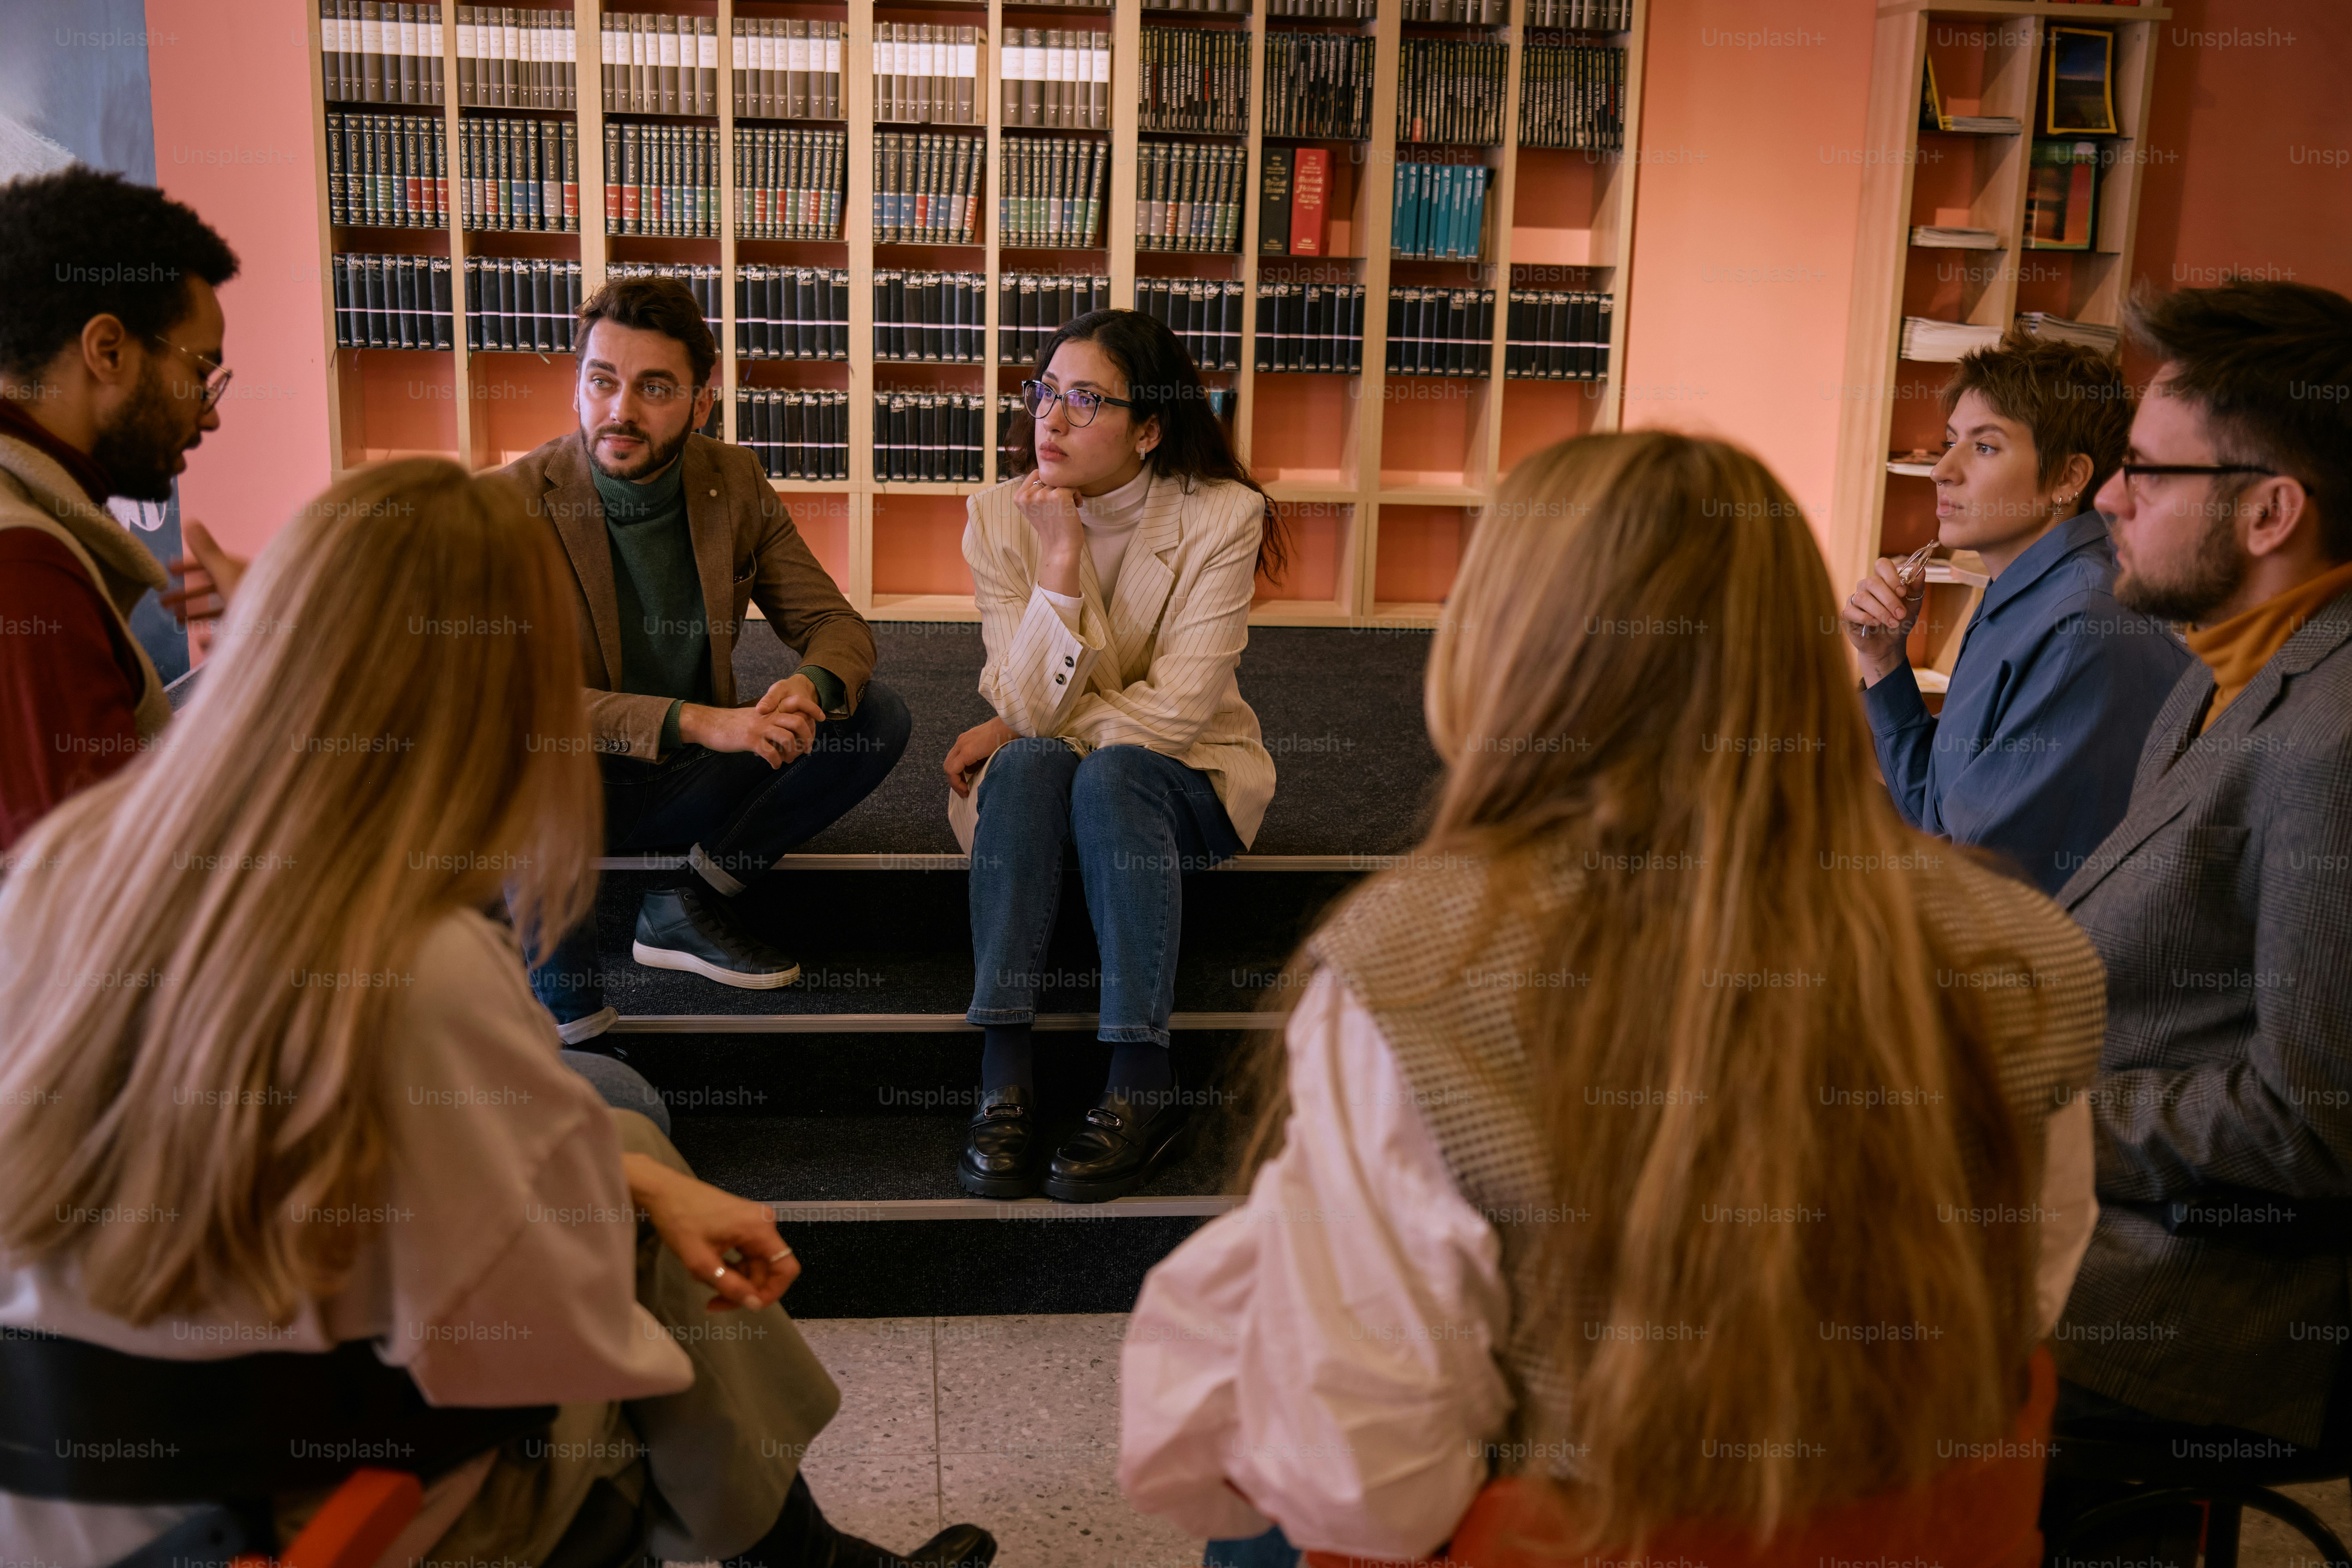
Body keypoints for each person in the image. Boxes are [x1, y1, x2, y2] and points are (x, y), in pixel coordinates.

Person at [1118, 432, 2107, 1556]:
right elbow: (2018, 1310)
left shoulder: (1411, 962)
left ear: (1509, 648)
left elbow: (1374, 1479)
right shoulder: (2028, 948)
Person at [0, 459, 992, 1568]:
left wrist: (629, 1177)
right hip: (315, 1511)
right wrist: (633, 1218)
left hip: (59, 1501)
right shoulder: (419, 965)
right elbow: (539, 1346)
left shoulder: (57, 868)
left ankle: (803, 1553)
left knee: (612, 1112)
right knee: (652, 1270)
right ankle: (795, 1553)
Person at [2040, 282, 2352, 1526]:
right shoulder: (2221, 672)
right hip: (2125, 1215)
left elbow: (2316, 1122)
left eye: (2145, 473)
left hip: (2217, 1303)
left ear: (2271, 508)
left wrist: (2043, 1121)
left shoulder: (2331, 741)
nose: (2109, 497)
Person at [502, 276, 911, 1043]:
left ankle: (680, 898)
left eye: (655, 387)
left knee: (875, 715)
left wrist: (807, 684)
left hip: (684, 785)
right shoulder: (509, 503)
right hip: (565, 788)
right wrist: (697, 721)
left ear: (701, 402)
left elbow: (835, 624)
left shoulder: (735, 481)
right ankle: (577, 1029)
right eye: (602, 381)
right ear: (578, 386)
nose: (620, 410)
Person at [947, 309, 1282, 1203]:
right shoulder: (998, 517)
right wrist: (1060, 558)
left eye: (1085, 401)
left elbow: (1175, 716)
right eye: (1045, 393)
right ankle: (1003, 1081)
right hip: (1054, 774)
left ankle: (1141, 1085)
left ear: (1149, 428)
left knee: (1104, 766)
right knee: (1024, 767)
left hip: (1187, 777)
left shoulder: (1223, 516)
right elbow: (1020, 704)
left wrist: (1027, 725)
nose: (1049, 421)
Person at [1844, 330, 2192, 895]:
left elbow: (1970, 879)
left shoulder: (2079, 623)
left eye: (1984, 447)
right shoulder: (2023, 593)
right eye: (1950, 441)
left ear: (2067, 479)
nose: (1941, 470)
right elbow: (1934, 811)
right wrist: (1882, 657)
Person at [0, 167, 249, 852]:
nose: (210, 416)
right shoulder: (26, 567)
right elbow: (105, 908)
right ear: (108, 350)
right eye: (201, 374)